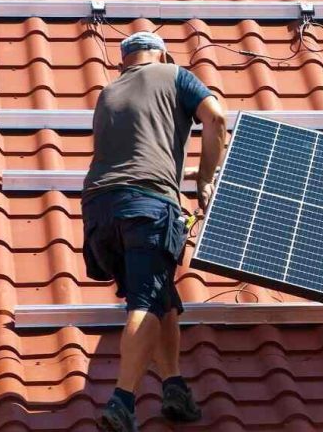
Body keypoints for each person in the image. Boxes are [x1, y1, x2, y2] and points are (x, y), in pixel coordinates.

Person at [81, 31, 227, 432]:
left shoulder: (108, 93)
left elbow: (139, 158)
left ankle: (174, 385)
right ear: (161, 54)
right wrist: (208, 178)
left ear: (123, 62)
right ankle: (123, 401)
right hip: (146, 208)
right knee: (145, 302)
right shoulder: (175, 75)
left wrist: (187, 174)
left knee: (161, 295)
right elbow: (216, 118)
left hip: (99, 211)